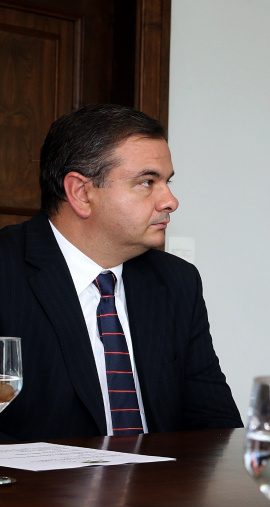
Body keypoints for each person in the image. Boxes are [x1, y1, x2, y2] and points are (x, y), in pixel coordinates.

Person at [0, 104, 242, 441]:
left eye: (167, 182)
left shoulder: (176, 281)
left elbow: (215, 425)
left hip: (161, 474)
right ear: (81, 193)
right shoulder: (7, 270)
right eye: (147, 182)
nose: (170, 201)